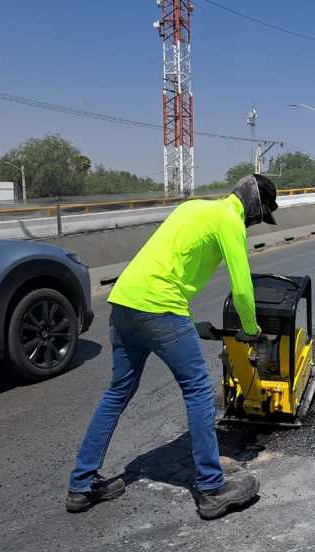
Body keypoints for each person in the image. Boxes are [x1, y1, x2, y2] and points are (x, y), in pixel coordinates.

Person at [66, 174, 279, 520]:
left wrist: (193, 327)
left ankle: (82, 482)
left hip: (123, 304)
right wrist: (251, 331)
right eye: (260, 216)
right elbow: (242, 290)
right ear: (255, 207)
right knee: (197, 389)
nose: (255, 223)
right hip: (161, 308)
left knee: (117, 393)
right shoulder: (230, 221)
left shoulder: (193, 208)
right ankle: (212, 488)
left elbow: (168, 268)